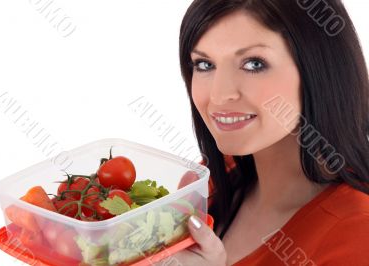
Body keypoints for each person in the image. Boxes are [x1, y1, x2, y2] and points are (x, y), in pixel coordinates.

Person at [156, 0, 369, 265]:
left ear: (320, 70)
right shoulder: (217, 180)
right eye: (205, 65)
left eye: (254, 64)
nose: (219, 95)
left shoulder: (358, 235)